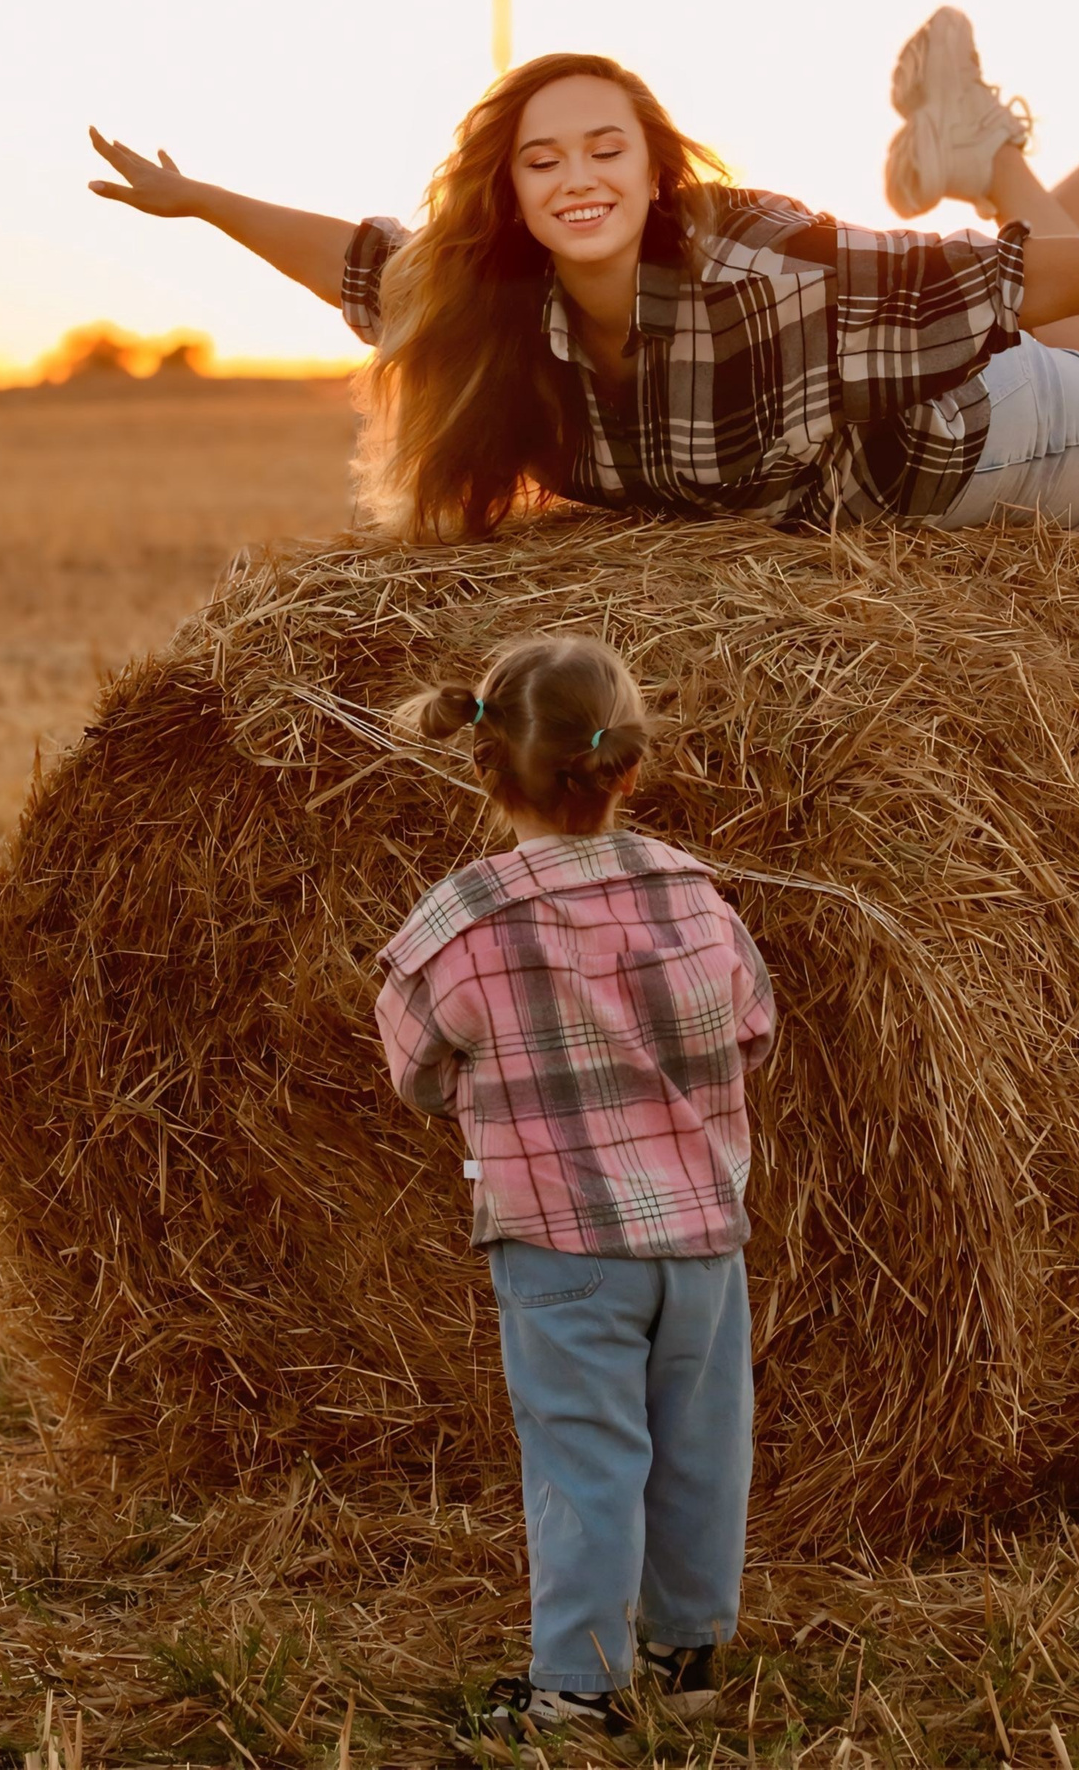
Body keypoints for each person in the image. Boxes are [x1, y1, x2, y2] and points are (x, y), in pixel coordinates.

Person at [88, 0, 1079, 542]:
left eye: (604, 150)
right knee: (1014, 287)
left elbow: (1011, 285)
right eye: (543, 161)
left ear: (649, 169)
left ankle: (993, 148)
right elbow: (360, 267)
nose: (577, 178)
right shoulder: (486, 294)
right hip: (881, 423)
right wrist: (196, 200)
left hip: (966, 456)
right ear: (511, 193)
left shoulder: (762, 265)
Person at [372, 634, 775, 1740]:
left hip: (559, 1243)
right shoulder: (696, 898)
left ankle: (578, 1690)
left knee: (584, 1456)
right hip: (700, 1235)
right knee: (703, 1445)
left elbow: (413, 1063)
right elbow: (753, 1028)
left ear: (483, 766)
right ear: (629, 768)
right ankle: (688, 1660)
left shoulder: (465, 923)